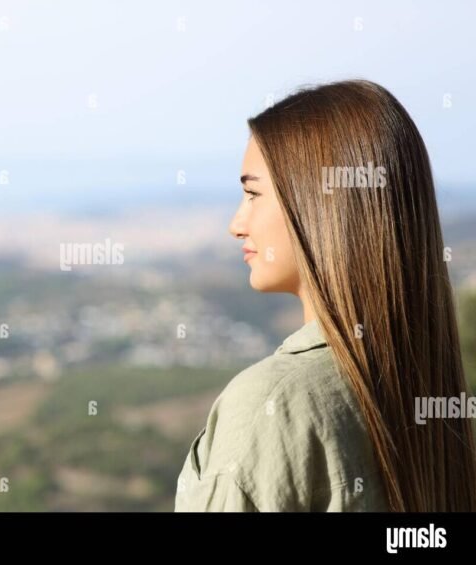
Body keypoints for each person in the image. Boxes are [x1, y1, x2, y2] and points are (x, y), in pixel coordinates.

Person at [174, 80, 476, 512]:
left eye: (253, 194)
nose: (236, 223)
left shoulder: (271, 402)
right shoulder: (424, 382)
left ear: (319, 204)